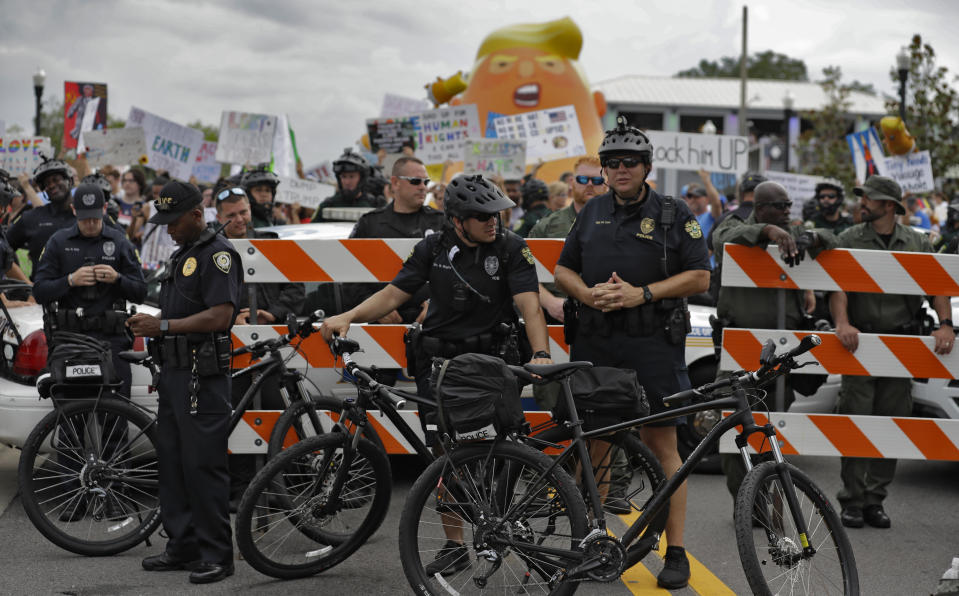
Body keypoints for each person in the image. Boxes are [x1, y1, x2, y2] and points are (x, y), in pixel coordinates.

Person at [320, 175, 552, 577]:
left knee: (494, 452)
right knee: (446, 455)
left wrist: (543, 353)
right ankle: (454, 544)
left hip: (489, 363)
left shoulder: (513, 248)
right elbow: (394, 294)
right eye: (482, 216)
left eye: (496, 213)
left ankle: (506, 533)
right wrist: (349, 316)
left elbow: (530, 305)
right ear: (458, 219)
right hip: (440, 367)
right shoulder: (433, 247)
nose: (493, 222)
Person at [553, 116, 710, 590]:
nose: (621, 169)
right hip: (597, 340)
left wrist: (642, 293)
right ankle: (593, 543)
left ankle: (676, 551)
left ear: (646, 167)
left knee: (664, 445)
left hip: (653, 342)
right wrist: (585, 295)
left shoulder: (673, 211)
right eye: (612, 163)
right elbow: (563, 270)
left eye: (630, 162)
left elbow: (700, 277)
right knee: (595, 441)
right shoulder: (592, 211)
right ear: (604, 170)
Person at [127, 181, 240, 584]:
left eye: (173, 222)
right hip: (175, 373)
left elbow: (219, 316)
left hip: (201, 375)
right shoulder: (184, 255)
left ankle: (216, 555)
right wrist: (151, 322)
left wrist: (163, 326)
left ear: (197, 214)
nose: (168, 230)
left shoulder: (217, 256)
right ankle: (184, 544)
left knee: (202, 465)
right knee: (172, 462)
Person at [829, 175, 954, 530]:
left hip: (902, 345)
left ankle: (874, 500)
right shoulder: (849, 238)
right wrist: (842, 322)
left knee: (892, 423)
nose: (861, 203)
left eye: (869, 199)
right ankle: (851, 500)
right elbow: (838, 286)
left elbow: (938, 285)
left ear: (889, 206)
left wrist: (945, 324)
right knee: (855, 420)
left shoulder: (916, 242)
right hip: (860, 343)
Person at [711, 181, 837, 498]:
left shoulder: (793, 229)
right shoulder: (736, 225)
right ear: (761, 207)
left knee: (773, 425)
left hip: (781, 351)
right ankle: (746, 499)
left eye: (789, 205)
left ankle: (770, 493)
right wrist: (767, 232)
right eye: (780, 206)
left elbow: (834, 238)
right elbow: (722, 240)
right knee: (735, 428)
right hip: (741, 346)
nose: (787, 211)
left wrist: (813, 238)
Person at [32, 183, 146, 397]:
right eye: (85, 218)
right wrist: (70, 280)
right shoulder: (58, 241)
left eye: (95, 217)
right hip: (69, 337)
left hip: (111, 337)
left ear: (104, 209)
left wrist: (117, 279)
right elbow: (39, 292)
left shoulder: (119, 241)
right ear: (74, 210)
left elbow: (140, 292)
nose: (91, 224)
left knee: (117, 412)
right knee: (70, 414)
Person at [342, 156, 445, 323]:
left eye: (425, 182)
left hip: (431, 324)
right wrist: (373, 306)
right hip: (381, 326)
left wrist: (437, 304)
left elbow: (459, 271)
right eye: (415, 181)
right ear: (395, 183)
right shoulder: (369, 224)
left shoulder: (441, 222)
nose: (422, 187)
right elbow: (349, 276)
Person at [528, 155, 605, 323]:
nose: (590, 185)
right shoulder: (547, 227)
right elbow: (524, 274)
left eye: (597, 180)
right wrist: (550, 302)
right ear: (572, 182)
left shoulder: (619, 225)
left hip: (604, 317)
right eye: (583, 179)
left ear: (606, 183)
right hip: (557, 316)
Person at [215, 187, 305, 326]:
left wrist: (273, 314)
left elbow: (296, 287)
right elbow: (203, 299)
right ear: (219, 218)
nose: (239, 219)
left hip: (274, 334)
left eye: (243, 212)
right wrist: (231, 320)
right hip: (228, 336)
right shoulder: (211, 251)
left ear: (250, 209)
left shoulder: (271, 243)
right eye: (231, 215)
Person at [8, 157, 83, 279]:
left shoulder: (88, 215)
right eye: (47, 183)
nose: (52, 185)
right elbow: (3, 250)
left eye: (56, 180)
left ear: (69, 181)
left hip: (81, 294)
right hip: (40, 294)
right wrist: (25, 284)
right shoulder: (31, 217)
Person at [311, 148, 386, 221]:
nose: (347, 182)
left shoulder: (375, 204)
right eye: (344, 177)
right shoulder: (328, 205)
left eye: (352, 176)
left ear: (362, 178)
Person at [240, 164, 281, 229]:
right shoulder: (242, 222)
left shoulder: (272, 219)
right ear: (248, 194)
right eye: (258, 190)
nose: (264, 194)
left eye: (267, 191)